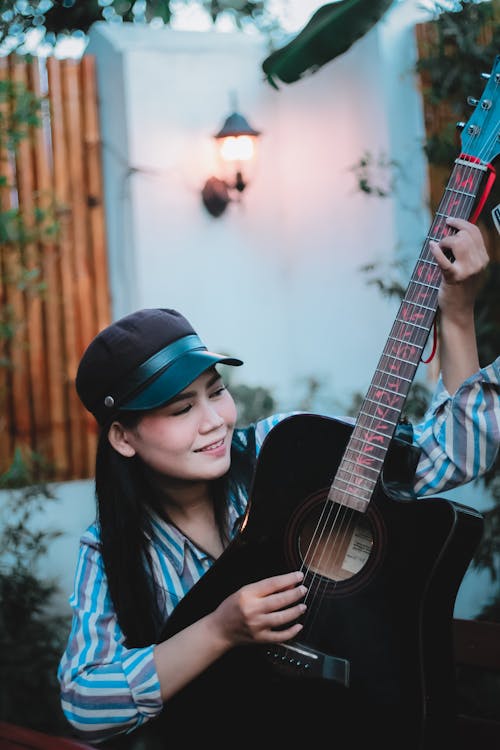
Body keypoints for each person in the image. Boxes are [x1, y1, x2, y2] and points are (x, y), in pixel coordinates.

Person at [58, 217, 500, 748]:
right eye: (181, 409)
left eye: (215, 392)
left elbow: (454, 451)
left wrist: (454, 312)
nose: (214, 420)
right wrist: (219, 630)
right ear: (124, 439)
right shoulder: (111, 548)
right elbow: (84, 704)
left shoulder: (286, 451)